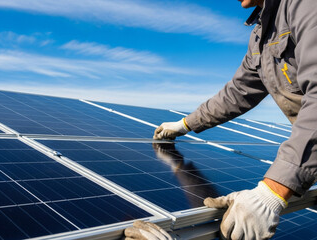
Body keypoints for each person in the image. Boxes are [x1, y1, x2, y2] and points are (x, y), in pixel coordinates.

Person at [124, 0, 317, 239]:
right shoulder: (261, 33)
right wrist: (185, 124)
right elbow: (238, 92)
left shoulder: (306, 6)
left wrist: (272, 192)